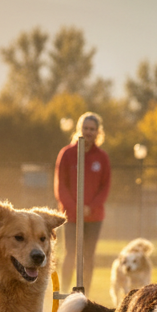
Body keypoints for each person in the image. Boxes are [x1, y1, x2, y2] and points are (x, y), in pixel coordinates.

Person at [54, 112, 111, 293]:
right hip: (70, 215)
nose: (88, 132)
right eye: (85, 128)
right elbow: (60, 186)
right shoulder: (67, 154)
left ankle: (85, 293)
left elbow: (105, 186)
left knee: (88, 256)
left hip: (93, 217)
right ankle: (64, 290)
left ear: (98, 132)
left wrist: (90, 207)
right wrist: (74, 207)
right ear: (80, 129)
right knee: (70, 253)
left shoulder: (102, 157)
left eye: (92, 129)